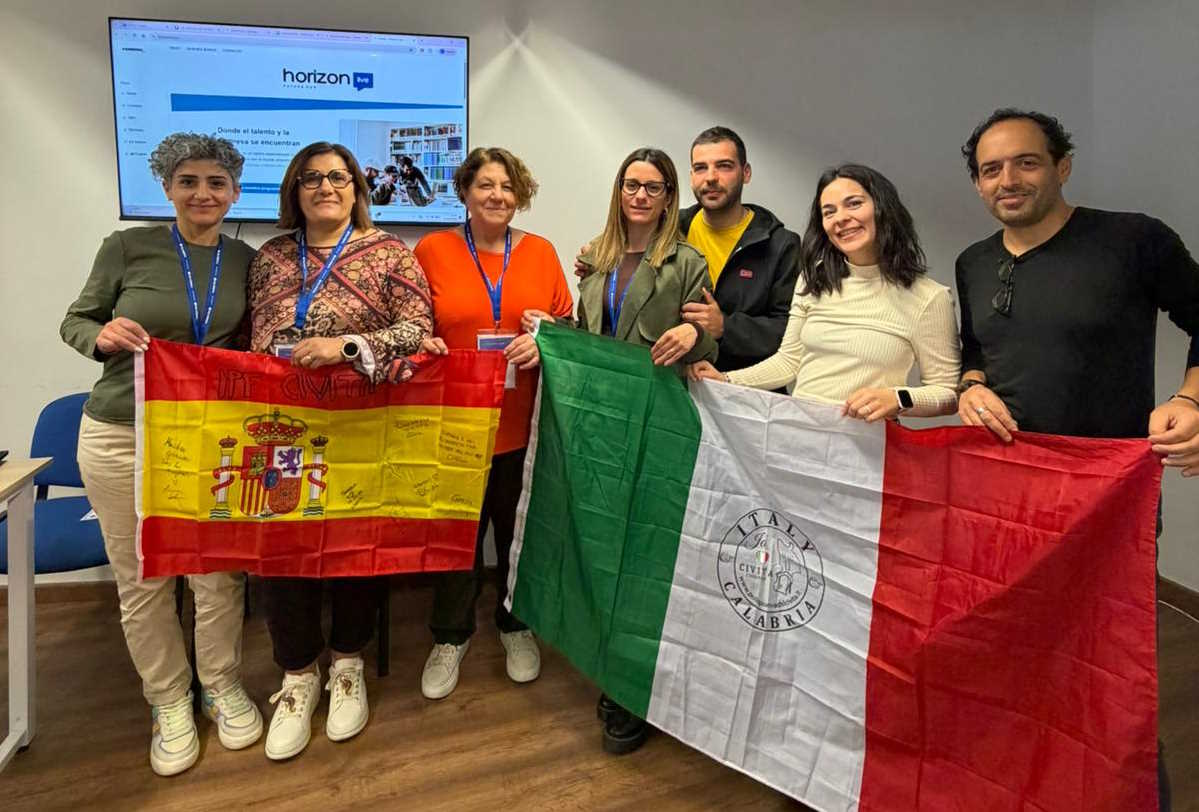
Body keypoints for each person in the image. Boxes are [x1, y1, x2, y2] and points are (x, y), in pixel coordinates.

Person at [954, 109, 1199, 811]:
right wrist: (971, 385)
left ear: (1062, 166)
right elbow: (975, 350)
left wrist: (1191, 397)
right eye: (991, 169)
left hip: (1109, 503)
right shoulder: (972, 262)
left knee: (1111, 676)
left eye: (1026, 162)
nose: (1008, 179)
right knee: (1019, 661)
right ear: (977, 185)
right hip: (1009, 496)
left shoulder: (1133, 240)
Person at [60, 133, 262, 776]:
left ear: (234, 193)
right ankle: (168, 697)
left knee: (217, 572)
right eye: (188, 182)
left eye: (216, 183)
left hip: (206, 434)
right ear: (167, 188)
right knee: (143, 576)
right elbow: (76, 320)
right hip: (121, 431)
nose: (203, 193)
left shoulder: (245, 260)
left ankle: (221, 684)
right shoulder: (127, 247)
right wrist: (101, 335)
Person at [526, 147, 717, 755]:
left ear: (668, 198)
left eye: (653, 187)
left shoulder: (687, 262)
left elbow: (707, 335)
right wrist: (549, 332)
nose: (640, 195)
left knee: (644, 558)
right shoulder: (595, 257)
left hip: (656, 425)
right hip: (597, 425)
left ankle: (630, 693)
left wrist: (695, 333)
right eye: (632, 185)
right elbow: (589, 339)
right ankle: (603, 662)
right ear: (619, 191)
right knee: (599, 542)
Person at [249, 141, 433, 760]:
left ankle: (349, 664)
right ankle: (298, 675)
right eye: (311, 178)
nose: (325, 187)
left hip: (362, 425)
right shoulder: (270, 257)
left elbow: (419, 329)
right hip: (282, 428)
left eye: (337, 176)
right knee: (283, 550)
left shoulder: (389, 252)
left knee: (357, 545)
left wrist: (347, 346)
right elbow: (252, 338)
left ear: (356, 188)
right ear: (294, 191)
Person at [413, 147, 573, 701]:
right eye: (485, 184)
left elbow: (566, 325)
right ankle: (450, 635)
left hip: (523, 422)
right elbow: (411, 322)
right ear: (464, 192)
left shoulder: (541, 252)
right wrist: (423, 340)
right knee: (456, 536)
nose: (497, 195)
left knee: (516, 532)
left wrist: (544, 337)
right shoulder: (432, 250)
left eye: (507, 186)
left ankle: (515, 624)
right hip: (453, 422)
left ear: (519, 195)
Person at [689, 163, 960, 424]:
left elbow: (948, 393)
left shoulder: (930, 297)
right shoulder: (814, 279)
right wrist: (726, 380)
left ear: (883, 208)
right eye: (829, 212)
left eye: (854, 204)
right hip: (799, 433)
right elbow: (788, 361)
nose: (840, 218)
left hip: (869, 445)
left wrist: (898, 398)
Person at [678, 126, 800, 375]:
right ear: (691, 176)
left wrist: (725, 326)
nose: (711, 177)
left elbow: (789, 332)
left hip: (741, 389)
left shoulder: (781, 245)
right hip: (674, 382)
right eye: (701, 168)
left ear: (746, 173)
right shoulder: (672, 229)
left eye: (724, 166)